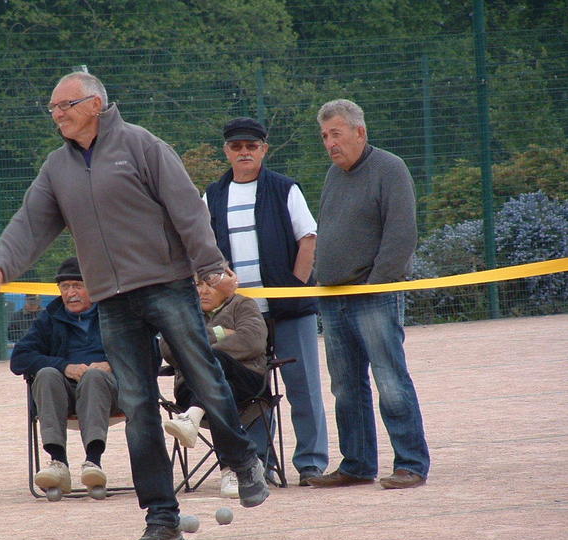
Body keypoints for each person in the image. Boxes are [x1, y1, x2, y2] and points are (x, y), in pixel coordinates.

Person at [0, 71, 268, 540]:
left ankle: (242, 456)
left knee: (203, 372)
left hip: (167, 284)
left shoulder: (142, 146)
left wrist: (210, 265)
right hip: (111, 299)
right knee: (137, 408)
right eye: (52, 107)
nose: (56, 114)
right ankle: (161, 518)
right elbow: (31, 223)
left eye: (64, 105)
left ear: (94, 104)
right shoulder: (56, 168)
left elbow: (187, 209)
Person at [307, 98, 430, 490]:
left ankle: (410, 463)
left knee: (390, 380)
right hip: (333, 297)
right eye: (325, 136)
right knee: (345, 386)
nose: (330, 143)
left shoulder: (390, 169)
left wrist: (375, 284)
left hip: (373, 295)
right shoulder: (332, 175)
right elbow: (327, 232)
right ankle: (357, 464)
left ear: (360, 132)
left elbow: (401, 234)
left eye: (336, 134)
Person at [205, 117, 330, 486]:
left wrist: (293, 287)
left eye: (252, 146)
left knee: (302, 384)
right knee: (248, 386)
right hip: (236, 315)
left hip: (288, 309)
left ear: (264, 149)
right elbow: (202, 250)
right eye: (236, 146)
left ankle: (311, 463)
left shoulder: (284, 188)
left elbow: (308, 238)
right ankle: (258, 462)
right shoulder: (211, 195)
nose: (244, 152)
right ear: (226, 151)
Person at [10, 257, 118, 495]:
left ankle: (93, 461)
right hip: (65, 393)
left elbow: (148, 351)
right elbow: (19, 359)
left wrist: (112, 364)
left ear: (95, 286)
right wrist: (64, 366)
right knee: (47, 374)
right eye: (65, 287)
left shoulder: (115, 313)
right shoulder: (50, 317)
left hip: (112, 392)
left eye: (78, 286)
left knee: (93, 377)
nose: (71, 293)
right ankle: (58, 463)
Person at [159, 277, 268, 499]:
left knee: (214, 362)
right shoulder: (184, 310)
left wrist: (197, 346)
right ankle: (233, 469)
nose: (203, 291)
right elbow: (168, 348)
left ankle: (193, 417)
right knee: (219, 387)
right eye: (198, 285)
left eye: (210, 284)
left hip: (246, 382)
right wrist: (222, 333)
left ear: (228, 284)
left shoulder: (243, 304)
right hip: (192, 387)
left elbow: (252, 341)